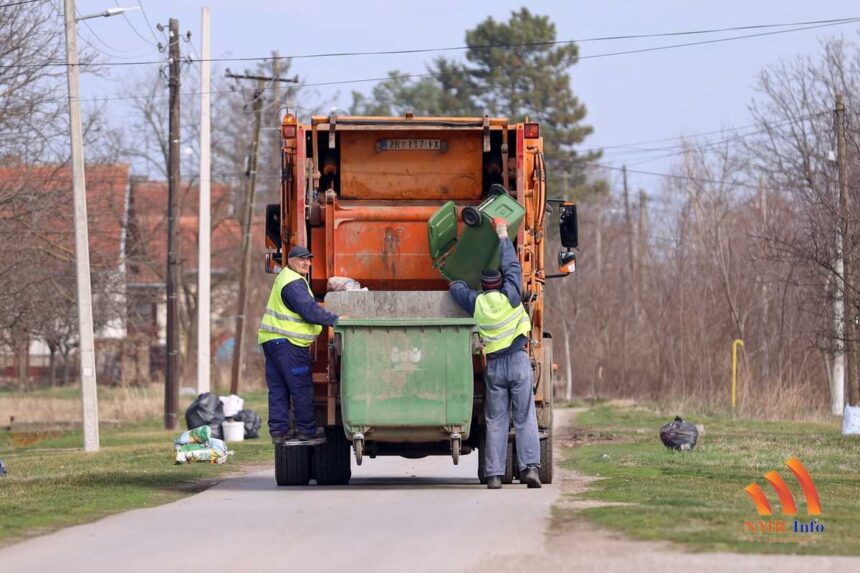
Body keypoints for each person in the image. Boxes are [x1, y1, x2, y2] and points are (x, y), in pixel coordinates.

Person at [449, 218, 541, 489]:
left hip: (495, 367)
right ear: (500, 284)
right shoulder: (511, 295)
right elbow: (513, 266)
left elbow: (456, 287)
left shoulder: (476, 303)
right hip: (518, 361)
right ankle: (530, 468)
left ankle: (494, 475)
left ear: (483, 286)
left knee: (496, 420)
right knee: (524, 417)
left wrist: (459, 271)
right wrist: (502, 234)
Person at [258, 245, 339, 444]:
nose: (307, 263)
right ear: (291, 261)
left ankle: (279, 432)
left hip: (272, 341)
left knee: (278, 388)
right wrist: (337, 320)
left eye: (309, 259)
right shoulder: (293, 282)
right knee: (300, 387)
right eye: (302, 259)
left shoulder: (284, 277)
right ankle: (306, 431)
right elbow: (309, 311)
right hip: (289, 344)